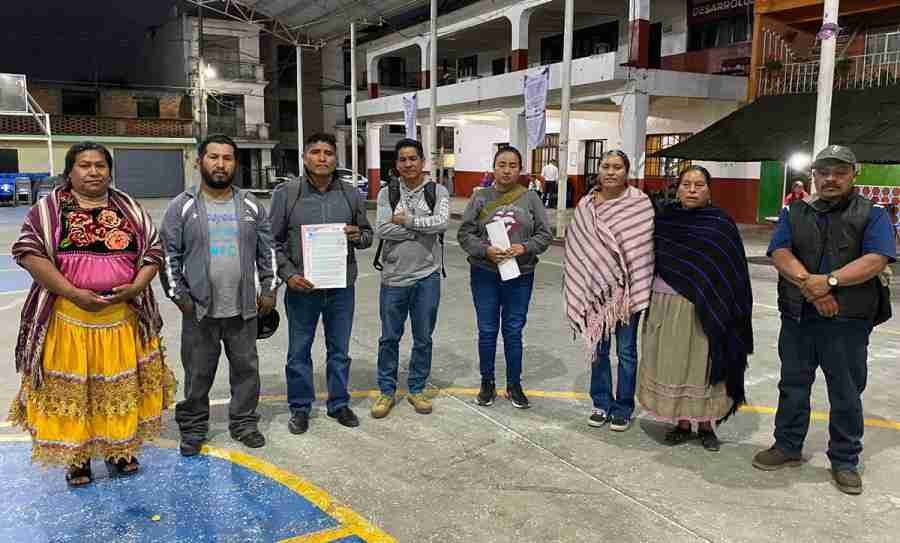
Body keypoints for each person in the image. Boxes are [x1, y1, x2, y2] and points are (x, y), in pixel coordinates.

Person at [8, 141, 176, 486]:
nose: (93, 171)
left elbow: (153, 251)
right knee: (78, 393)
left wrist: (134, 288)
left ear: (109, 171)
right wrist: (71, 292)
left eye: (100, 165)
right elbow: (28, 251)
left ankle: (119, 450)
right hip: (69, 320)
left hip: (122, 320)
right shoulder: (49, 209)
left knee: (118, 391)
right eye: (84, 165)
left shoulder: (128, 207)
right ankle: (77, 459)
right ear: (69, 172)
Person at [753, 145, 896, 495]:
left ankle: (845, 459)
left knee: (846, 391)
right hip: (799, 317)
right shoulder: (795, 211)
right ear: (814, 175)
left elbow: (877, 259)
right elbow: (781, 252)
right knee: (792, 385)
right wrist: (811, 287)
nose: (831, 179)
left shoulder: (872, 215)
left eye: (840, 172)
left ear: (853, 174)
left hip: (847, 321)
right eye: (823, 172)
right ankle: (787, 445)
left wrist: (829, 281)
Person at [160, 134, 276, 457]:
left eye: (227, 158)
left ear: (235, 163)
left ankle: (243, 423)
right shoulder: (181, 206)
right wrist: (179, 296)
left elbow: (268, 252)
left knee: (246, 371)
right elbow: (167, 256)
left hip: (243, 310)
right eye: (214, 157)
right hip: (199, 311)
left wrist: (268, 288)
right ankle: (194, 428)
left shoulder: (251, 204)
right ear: (200, 161)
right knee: (197, 374)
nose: (220, 164)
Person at [637, 166, 754, 451]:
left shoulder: (720, 223)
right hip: (666, 305)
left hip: (707, 308)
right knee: (675, 364)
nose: (691, 189)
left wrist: (726, 307)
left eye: (698, 185)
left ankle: (706, 425)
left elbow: (732, 270)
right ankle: (681, 422)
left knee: (704, 364)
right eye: (686, 184)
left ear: (709, 190)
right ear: (677, 188)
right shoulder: (665, 220)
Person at [270, 133, 373, 434]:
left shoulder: (351, 194)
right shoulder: (287, 193)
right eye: (315, 152)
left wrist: (358, 235)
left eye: (328, 152)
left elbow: (367, 235)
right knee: (299, 350)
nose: (322, 157)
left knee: (339, 349)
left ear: (335, 158)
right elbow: (271, 241)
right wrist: (288, 275)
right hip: (303, 287)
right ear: (305, 157)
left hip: (341, 286)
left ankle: (339, 403)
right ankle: (300, 407)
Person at [563, 150, 654, 432]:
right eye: (606, 166)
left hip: (626, 294)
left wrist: (628, 283)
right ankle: (601, 402)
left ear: (627, 172)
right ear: (598, 170)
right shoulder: (586, 206)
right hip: (595, 294)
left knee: (626, 352)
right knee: (599, 351)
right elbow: (577, 250)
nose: (611, 172)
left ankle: (623, 407)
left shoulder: (639, 205)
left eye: (617, 167)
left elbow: (642, 251)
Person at [458, 146, 552, 408]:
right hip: (485, 273)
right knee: (487, 331)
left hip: (520, 275)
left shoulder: (531, 199)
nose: (507, 170)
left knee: (513, 331)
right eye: (502, 164)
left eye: (512, 165)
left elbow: (545, 235)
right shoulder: (480, 198)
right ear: (494, 167)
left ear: (519, 169)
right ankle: (487, 382)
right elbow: (465, 234)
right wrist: (485, 250)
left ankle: (514, 384)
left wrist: (525, 247)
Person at [370, 139, 449, 419]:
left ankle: (416, 388)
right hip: (393, 278)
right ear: (396, 165)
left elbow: (442, 223)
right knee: (389, 338)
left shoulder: (437, 191)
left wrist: (407, 221)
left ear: (422, 161)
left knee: (423, 337)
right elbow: (382, 229)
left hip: (427, 276)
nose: (408, 164)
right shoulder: (386, 193)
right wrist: (418, 229)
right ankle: (386, 391)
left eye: (413, 158)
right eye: (402, 159)